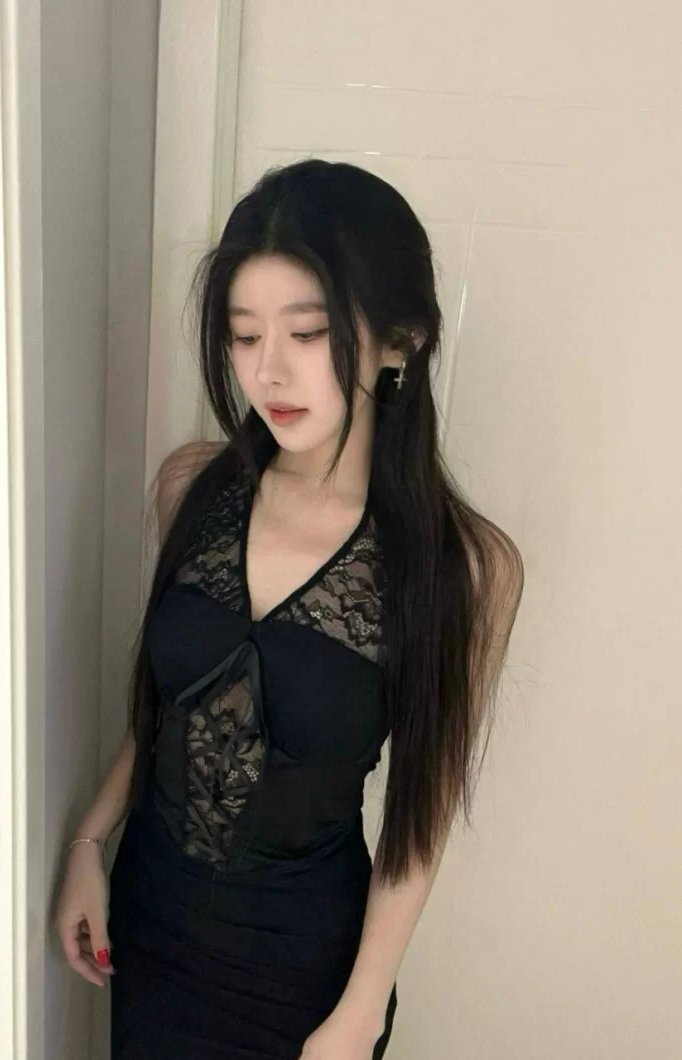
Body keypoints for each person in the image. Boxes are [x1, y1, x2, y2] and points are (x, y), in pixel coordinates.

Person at [55, 159, 524, 1059]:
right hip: (151, 928)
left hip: (303, 976)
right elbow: (163, 711)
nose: (268, 370)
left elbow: (420, 814)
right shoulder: (192, 486)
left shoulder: (465, 566)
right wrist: (88, 841)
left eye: (308, 333)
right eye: (243, 336)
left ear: (401, 340)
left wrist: (360, 1013)